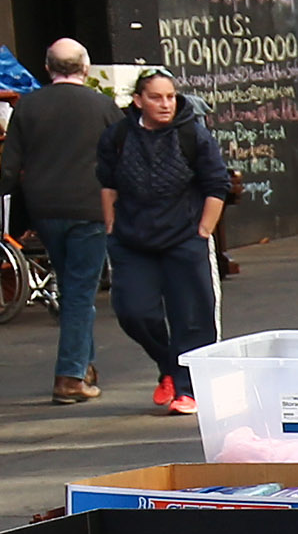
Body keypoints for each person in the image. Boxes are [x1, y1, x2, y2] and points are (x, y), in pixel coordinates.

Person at [99, 69, 238, 416]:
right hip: (133, 241)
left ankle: (188, 389)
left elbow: (216, 184)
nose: (165, 104)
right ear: (138, 101)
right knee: (134, 312)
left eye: (171, 96)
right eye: (156, 97)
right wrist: (111, 226)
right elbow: (107, 183)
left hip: (184, 239)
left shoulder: (193, 135)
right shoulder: (118, 137)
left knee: (192, 316)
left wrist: (204, 229)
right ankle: (171, 368)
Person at [0, 38, 117, 403]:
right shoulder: (103, 106)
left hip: (45, 209)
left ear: (47, 68)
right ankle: (69, 377)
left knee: (72, 289)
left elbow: (9, 166)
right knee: (81, 292)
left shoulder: (28, 106)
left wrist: (12, 214)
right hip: (91, 208)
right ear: (86, 67)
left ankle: (85, 365)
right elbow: (124, 156)